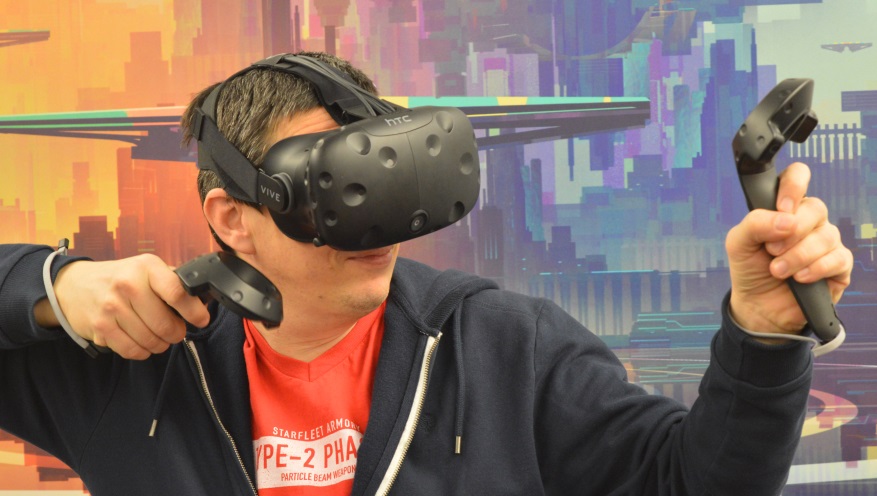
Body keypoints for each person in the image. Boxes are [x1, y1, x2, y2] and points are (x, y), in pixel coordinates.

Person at [0, 51, 853, 496]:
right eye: (333, 193)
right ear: (232, 220)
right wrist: (50, 288)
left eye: (384, 182)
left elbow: (693, 484)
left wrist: (763, 336)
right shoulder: (137, 362)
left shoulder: (505, 348)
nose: (374, 227)